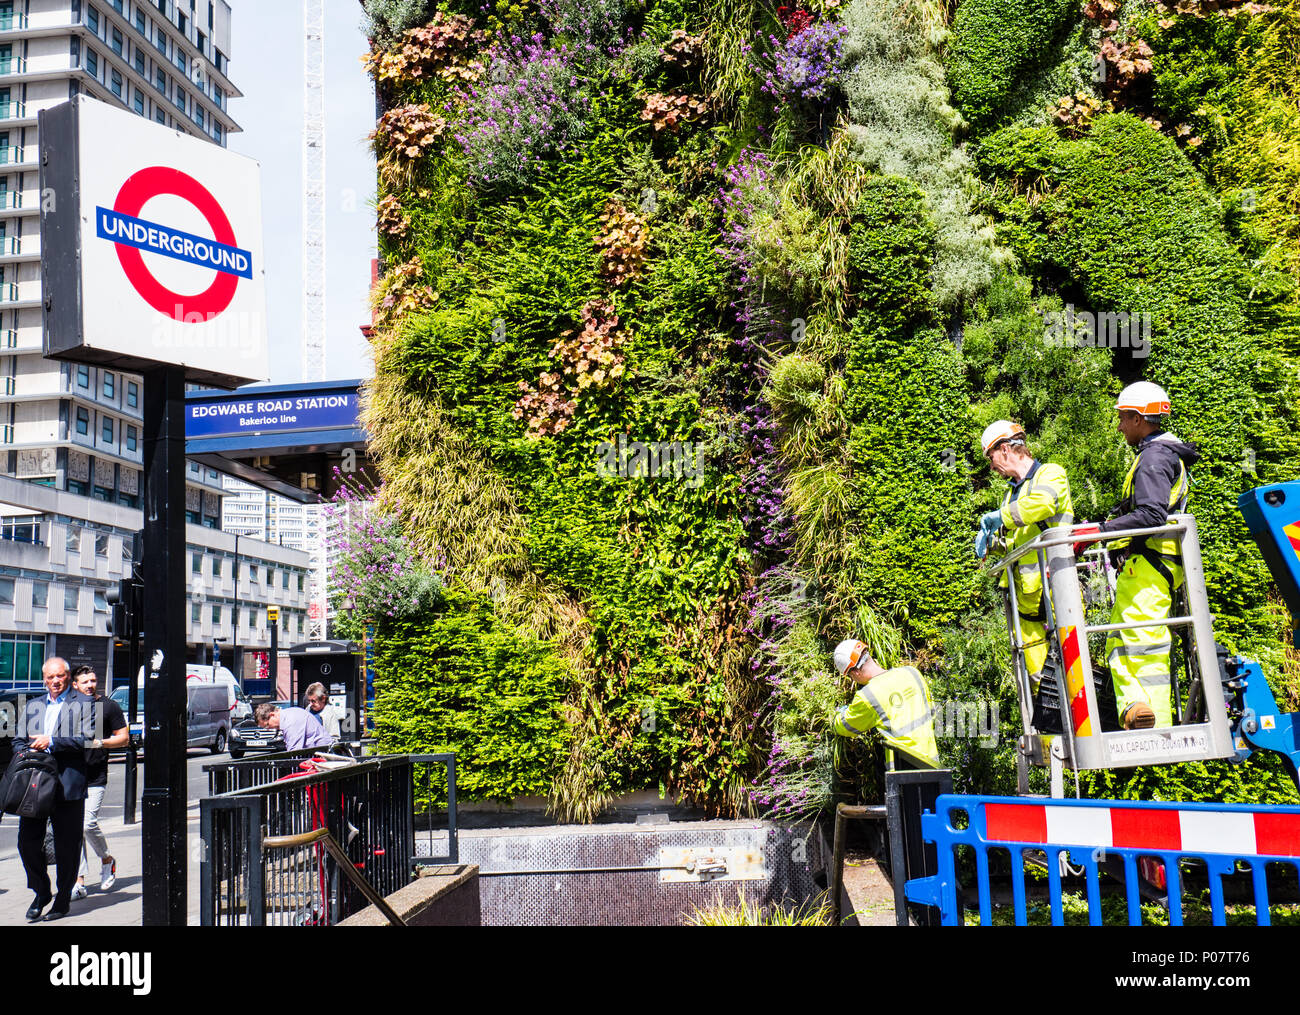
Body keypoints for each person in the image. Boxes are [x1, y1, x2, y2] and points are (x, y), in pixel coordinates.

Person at [1075, 381, 1199, 730]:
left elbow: (1151, 515)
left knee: (1143, 641)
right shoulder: (1158, 455)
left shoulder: (1154, 459)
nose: (1119, 427)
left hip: (1151, 565)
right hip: (1150, 565)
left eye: (1122, 419)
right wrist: (1107, 526)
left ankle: (1154, 722)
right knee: (1122, 639)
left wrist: (1098, 532)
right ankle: (1135, 708)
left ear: (1139, 418)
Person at [976, 420, 1075, 702]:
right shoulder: (1011, 493)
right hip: (1026, 599)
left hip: (1056, 586)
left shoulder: (1050, 473)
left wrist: (1000, 517)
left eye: (991, 458)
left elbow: (1043, 505)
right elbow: (1017, 541)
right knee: (1037, 674)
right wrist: (992, 545)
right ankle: (1050, 717)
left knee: (1069, 664)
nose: (992, 467)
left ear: (1005, 449)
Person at [12, 657, 98, 922]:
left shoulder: (83, 703)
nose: (55, 682)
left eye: (59, 676)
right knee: (27, 842)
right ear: (44, 679)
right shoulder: (35, 705)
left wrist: (52, 741)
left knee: (67, 847)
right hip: (35, 785)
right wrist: (25, 751)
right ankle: (41, 891)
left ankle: (62, 900)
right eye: (50, 678)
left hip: (67, 784)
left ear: (68, 676)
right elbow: (17, 739)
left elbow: (86, 739)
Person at [829, 639, 939, 769]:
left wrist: (836, 716)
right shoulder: (912, 672)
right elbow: (931, 711)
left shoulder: (868, 696)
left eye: (850, 676)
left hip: (903, 774)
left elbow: (846, 726)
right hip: (934, 766)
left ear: (856, 672)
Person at [70, 666, 128, 899]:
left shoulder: (109, 706)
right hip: (71, 776)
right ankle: (78, 881)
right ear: (75, 685)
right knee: (73, 831)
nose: (90, 685)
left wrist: (99, 743)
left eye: (93, 680)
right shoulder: (69, 707)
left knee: (86, 823)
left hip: (95, 777)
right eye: (85, 682)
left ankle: (106, 859)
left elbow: (123, 738)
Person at [255, 701, 332, 752]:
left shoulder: (290, 721)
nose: (268, 729)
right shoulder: (289, 715)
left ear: (272, 715)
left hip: (323, 757)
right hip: (320, 754)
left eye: (267, 725)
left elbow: (294, 752)